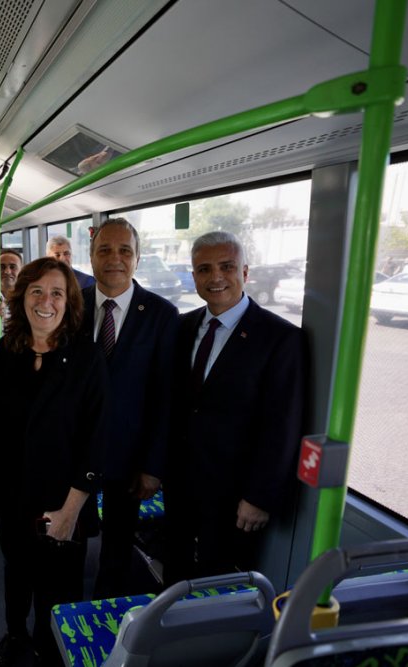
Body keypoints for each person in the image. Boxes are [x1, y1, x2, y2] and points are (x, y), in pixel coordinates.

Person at [0, 258, 106, 667]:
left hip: (62, 500)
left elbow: (96, 439)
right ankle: (15, 637)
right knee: (16, 573)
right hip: (11, 497)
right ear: (22, 298)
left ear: (69, 302)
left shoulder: (86, 357)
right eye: (36, 291)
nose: (46, 302)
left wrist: (71, 511)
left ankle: (51, 652)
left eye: (56, 293)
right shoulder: (8, 349)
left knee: (58, 590)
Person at [164, 231, 305, 583]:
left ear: (245, 272)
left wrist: (259, 496)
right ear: (194, 276)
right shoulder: (181, 327)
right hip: (180, 484)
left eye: (226, 267)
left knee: (221, 584)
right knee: (174, 575)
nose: (216, 277)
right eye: (204, 269)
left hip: (236, 496)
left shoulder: (280, 338)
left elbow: (283, 425)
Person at [84, 218, 178, 599]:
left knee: (117, 547)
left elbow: (166, 397)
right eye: (105, 249)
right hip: (75, 452)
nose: (115, 258)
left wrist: (154, 467)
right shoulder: (70, 305)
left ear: (138, 258)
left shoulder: (162, 315)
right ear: (91, 256)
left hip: (130, 456)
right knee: (67, 538)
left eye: (125, 250)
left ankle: (106, 606)